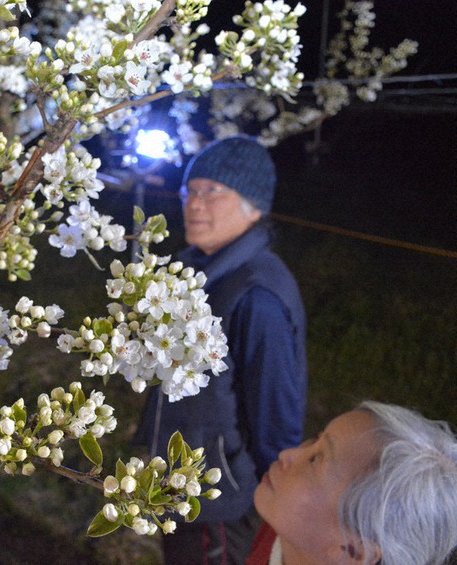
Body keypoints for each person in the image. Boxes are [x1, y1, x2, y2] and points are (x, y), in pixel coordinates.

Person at [135, 135, 307, 564]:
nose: (195, 203)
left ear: (254, 206)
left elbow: (277, 415)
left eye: (213, 192)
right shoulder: (197, 273)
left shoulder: (255, 294)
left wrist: (272, 498)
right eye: (190, 190)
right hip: (182, 482)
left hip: (221, 499)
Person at [247, 401, 457, 565]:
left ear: (352, 550)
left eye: (314, 460)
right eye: (314, 440)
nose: (287, 455)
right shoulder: (286, 534)